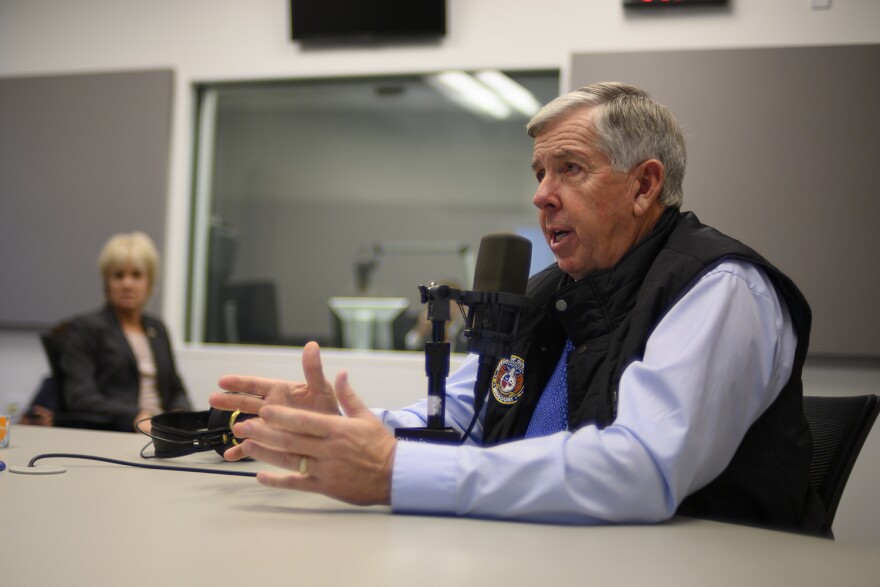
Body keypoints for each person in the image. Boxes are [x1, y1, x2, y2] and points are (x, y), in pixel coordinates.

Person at [209, 82, 825, 534]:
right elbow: (461, 413)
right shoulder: (544, 292)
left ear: (644, 186)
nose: (541, 195)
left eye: (570, 169)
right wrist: (343, 430)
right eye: (539, 172)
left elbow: (640, 469)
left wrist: (394, 470)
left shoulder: (720, 289)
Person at [59, 231, 191, 433]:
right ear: (107, 282)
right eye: (118, 275)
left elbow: (175, 388)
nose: (127, 283)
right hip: (117, 432)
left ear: (149, 282)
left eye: (136, 275)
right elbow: (80, 396)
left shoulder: (158, 328)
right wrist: (135, 417)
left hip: (164, 434)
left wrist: (181, 416)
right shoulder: (87, 327)